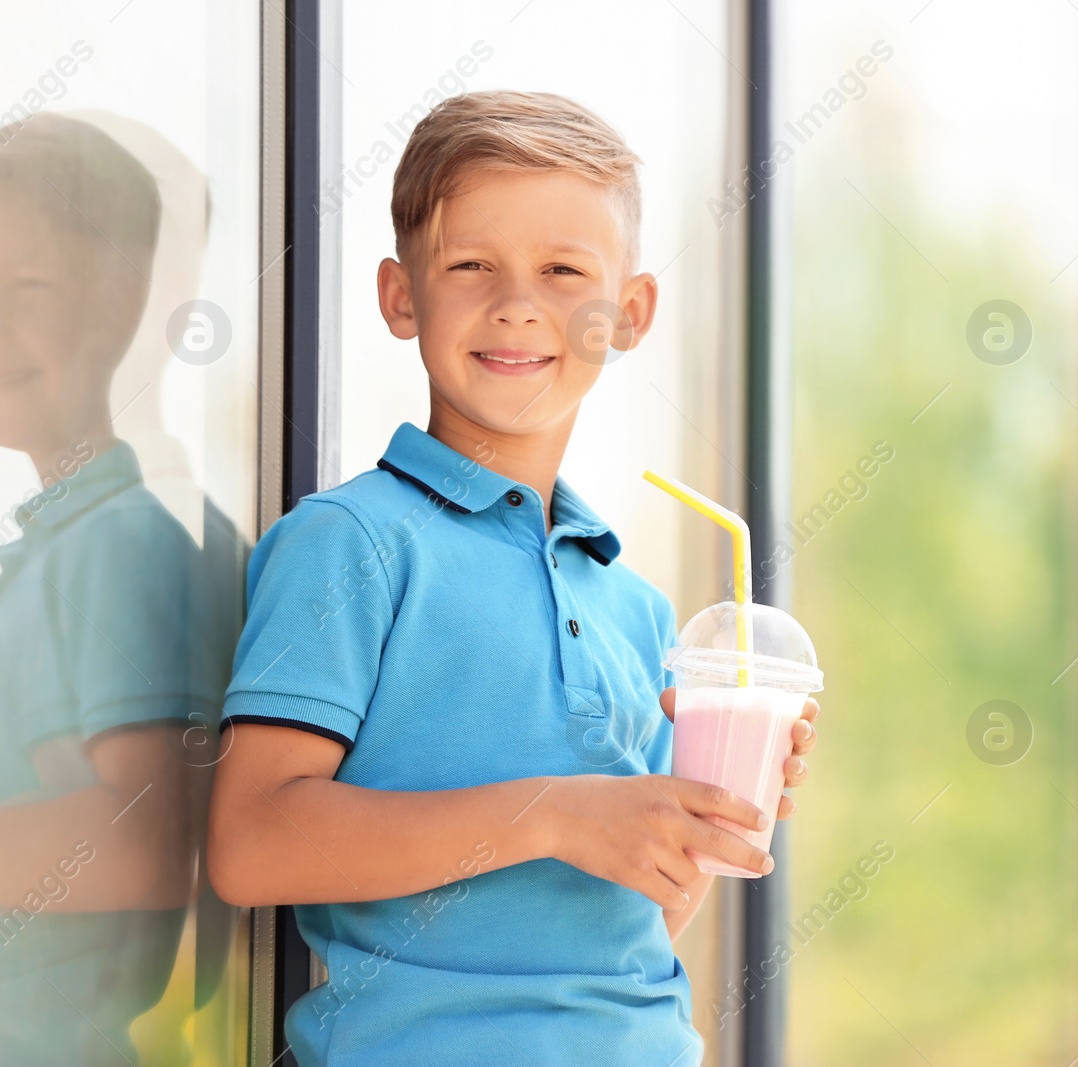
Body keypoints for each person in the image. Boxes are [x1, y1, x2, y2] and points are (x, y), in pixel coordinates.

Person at [207, 90, 821, 1066]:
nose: (517, 302)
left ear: (629, 313)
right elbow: (252, 844)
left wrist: (695, 816)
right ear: (402, 294)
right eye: (470, 264)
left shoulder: (636, 606)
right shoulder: (351, 543)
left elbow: (643, 916)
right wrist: (557, 813)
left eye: (563, 269)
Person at [0, 113, 245, 1065]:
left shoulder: (134, 536)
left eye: (28, 286)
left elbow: (146, 841)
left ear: (142, 309)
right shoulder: (62, 540)